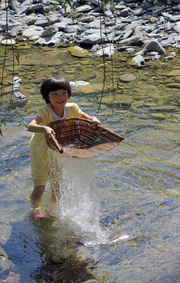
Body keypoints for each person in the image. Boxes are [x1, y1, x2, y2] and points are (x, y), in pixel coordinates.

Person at [28, 76, 100, 219]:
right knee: (40, 186)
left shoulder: (72, 108)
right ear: (47, 97)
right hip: (40, 151)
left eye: (63, 93)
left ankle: (54, 208)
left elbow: (86, 117)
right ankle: (35, 208)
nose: (60, 97)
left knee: (58, 186)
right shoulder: (45, 111)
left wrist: (93, 119)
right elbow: (31, 126)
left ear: (68, 94)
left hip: (57, 151)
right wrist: (44, 129)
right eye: (55, 94)